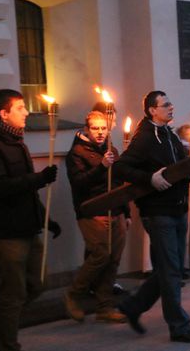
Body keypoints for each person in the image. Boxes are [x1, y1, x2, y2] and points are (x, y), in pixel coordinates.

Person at [115, 91, 190, 343]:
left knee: (170, 269)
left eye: (171, 103)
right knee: (171, 272)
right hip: (158, 212)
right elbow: (121, 166)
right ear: (152, 110)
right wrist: (149, 178)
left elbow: (176, 170)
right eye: (165, 105)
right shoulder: (145, 138)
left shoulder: (170, 136)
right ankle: (179, 326)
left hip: (177, 208)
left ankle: (134, 305)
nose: (171, 107)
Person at [0, 89, 61, 351]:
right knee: (14, 294)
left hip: (28, 227)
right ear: (4, 113)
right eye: (20, 107)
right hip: (6, 232)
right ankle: (7, 345)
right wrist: (39, 178)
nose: (27, 112)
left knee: (38, 283)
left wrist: (45, 219)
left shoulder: (17, 141)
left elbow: (27, 191)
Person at [63, 111, 130, 323]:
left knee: (113, 259)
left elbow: (118, 183)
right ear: (86, 129)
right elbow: (79, 183)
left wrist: (126, 212)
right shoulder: (77, 153)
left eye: (103, 128)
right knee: (101, 254)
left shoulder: (112, 150)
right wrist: (102, 166)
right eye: (95, 128)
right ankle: (73, 294)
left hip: (116, 211)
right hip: (92, 211)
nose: (100, 132)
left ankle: (105, 306)